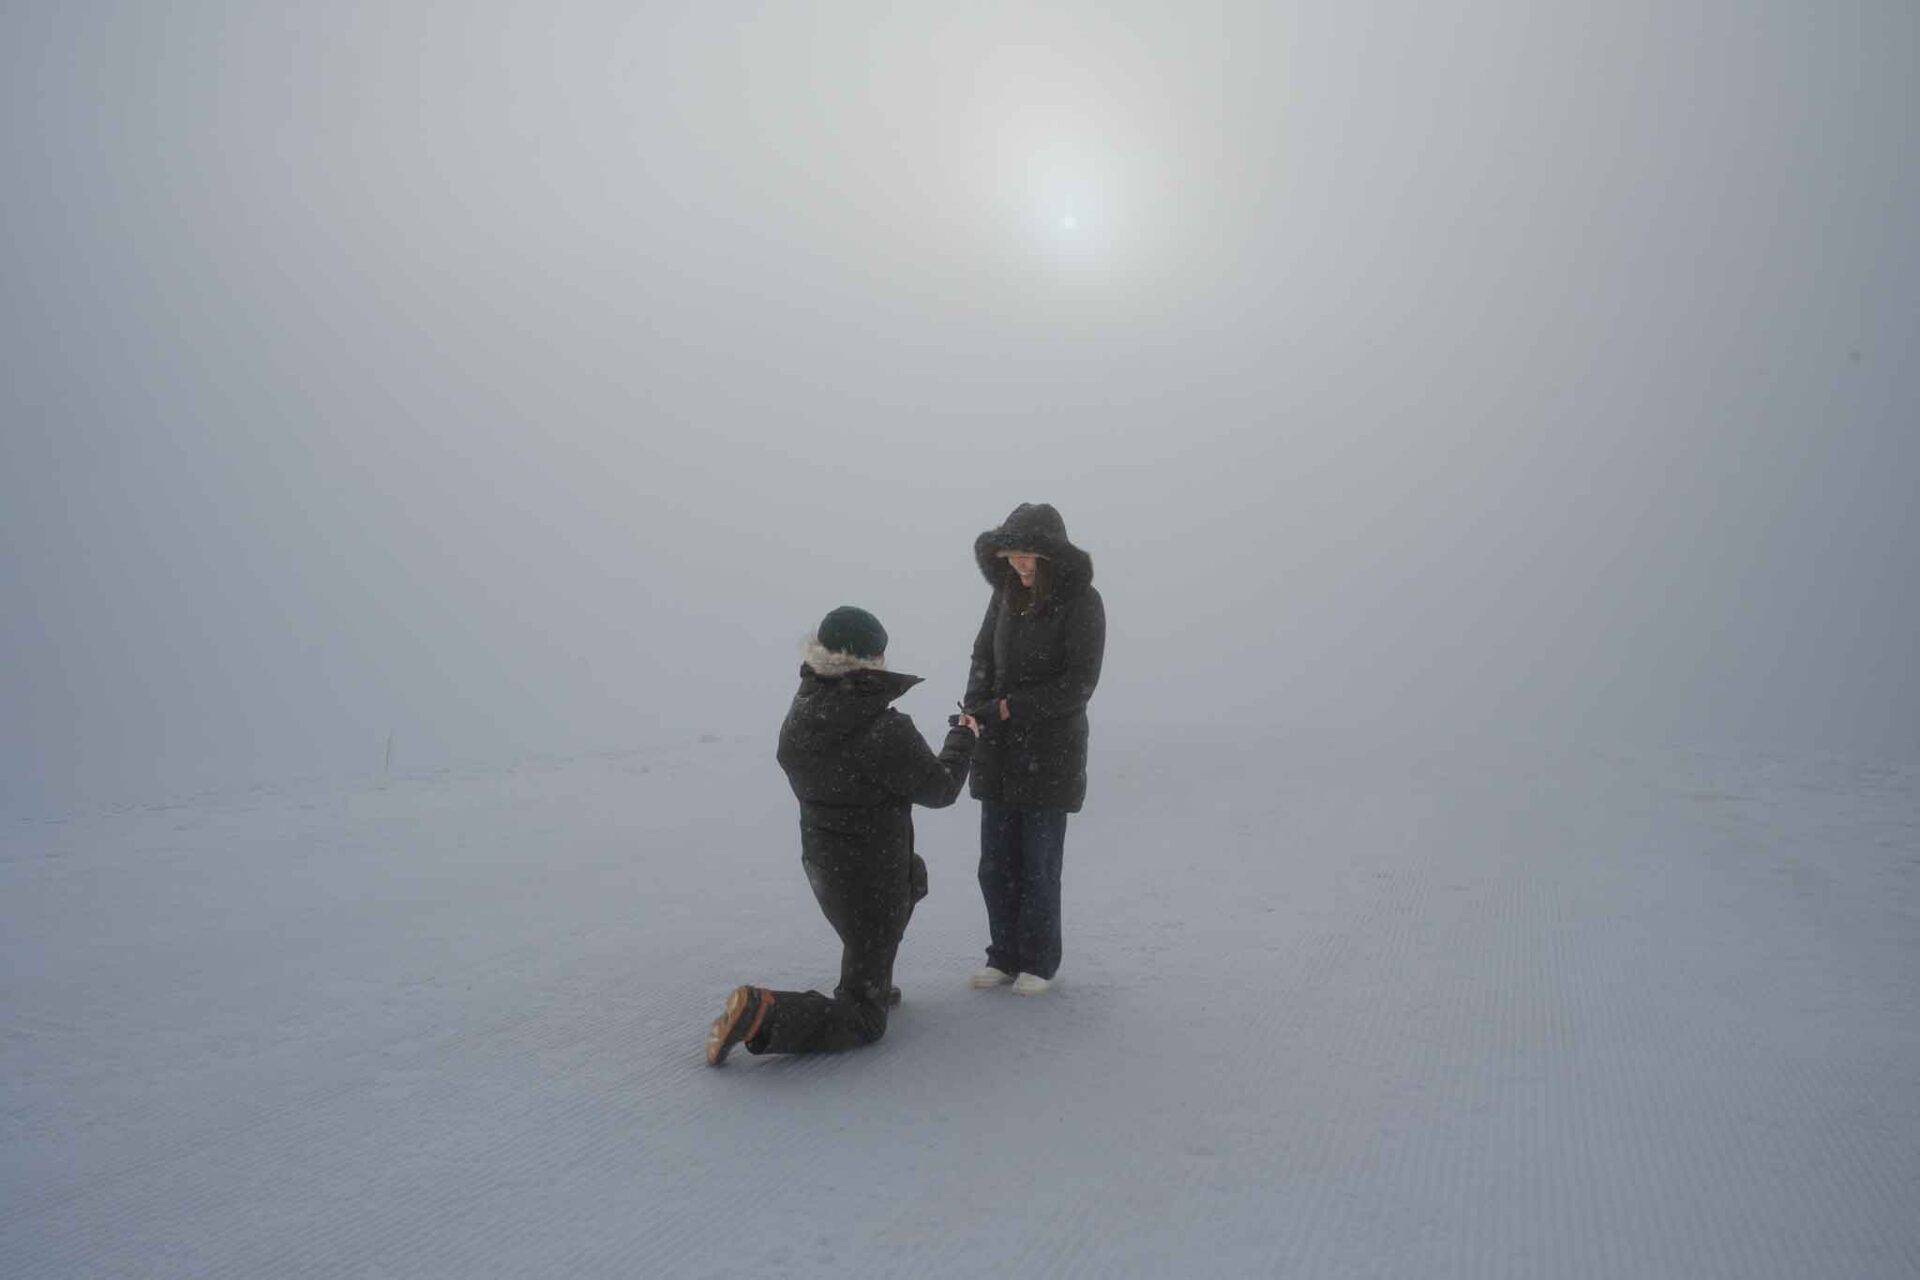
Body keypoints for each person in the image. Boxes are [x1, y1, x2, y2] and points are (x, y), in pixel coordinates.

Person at [705, 605, 977, 1066]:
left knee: (913, 881)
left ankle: (872, 975)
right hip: (872, 875)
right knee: (864, 1019)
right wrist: (964, 737)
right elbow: (941, 789)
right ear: (875, 660)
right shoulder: (884, 729)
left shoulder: (805, 708)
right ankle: (764, 1013)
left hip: (825, 868)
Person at [961, 503, 1106, 996]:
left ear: (1051, 556)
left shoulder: (1083, 602)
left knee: (1038, 865)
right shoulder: (1003, 595)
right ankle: (1003, 956)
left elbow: (1079, 684)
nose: (1020, 565)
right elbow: (982, 656)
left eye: (1029, 556)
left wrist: (1011, 709)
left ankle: (1038, 962)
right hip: (998, 751)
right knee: (995, 864)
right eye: (1012, 555)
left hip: (1050, 753)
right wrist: (976, 707)